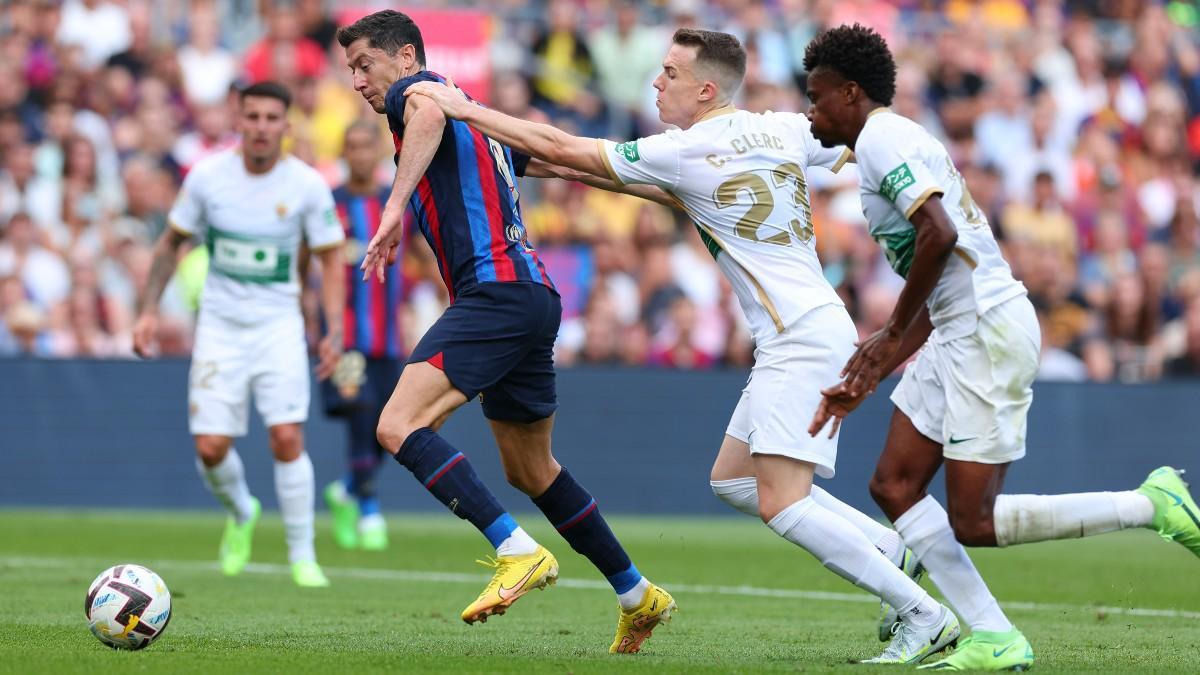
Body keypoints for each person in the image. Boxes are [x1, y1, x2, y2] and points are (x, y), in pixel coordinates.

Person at [407, 28, 961, 665]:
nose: (656, 82)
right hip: (810, 325)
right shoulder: (779, 128)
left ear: (705, 89)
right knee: (736, 479)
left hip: (799, 336)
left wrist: (465, 109)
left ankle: (924, 615)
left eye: (670, 73)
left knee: (782, 501)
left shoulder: (687, 147)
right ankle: (893, 552)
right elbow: (843, 143)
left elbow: (567, 147)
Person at [802, 24, 1200, 671]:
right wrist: (878, 364)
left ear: (850, 93)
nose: (810, 111)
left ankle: (1150, 504)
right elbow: (943, 268)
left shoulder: (881, 140)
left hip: (986, 327)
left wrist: (889, 336)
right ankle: (992, 634)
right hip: (958, 325)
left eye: (816, 97)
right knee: (894, 484)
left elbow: (938, 234)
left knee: (974, 521)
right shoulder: (888, 142)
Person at [336, 10, 674, 653]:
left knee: (397, 426)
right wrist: (670, 195)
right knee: (531, 468)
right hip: (533, 296)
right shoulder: (478, 124)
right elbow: (563, 164)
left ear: (404, 56)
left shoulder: (419, 94)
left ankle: (516, 549)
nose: (357, 81)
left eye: (364, 64)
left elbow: (426, 115)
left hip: (495, 294)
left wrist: (392, 209)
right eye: (350, 69)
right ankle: (637, 593)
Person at [133, 81, 346, 588]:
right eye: (253, 117)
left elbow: (331, 255)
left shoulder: (307, 185)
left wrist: (334, 327)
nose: (262, 127)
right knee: (210, 447)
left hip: (279, 326)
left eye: (272, 118)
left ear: (287, 125)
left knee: (287, 436)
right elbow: (171, 243)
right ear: (239, 120)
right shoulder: (208, 179)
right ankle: (241, 510)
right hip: (220, 327)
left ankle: (303, 556)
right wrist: (147, 311)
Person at [321, 120, 401, 552]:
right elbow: (311, 264)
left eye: (366, 146)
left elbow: (420, 255)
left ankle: (347, 488)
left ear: (378, 152)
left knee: (392, 424)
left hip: (387, 338)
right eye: (351, 147)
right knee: (359, 410)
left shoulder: (395, 203)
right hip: (346, 336)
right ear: (343, 153)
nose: (359, 154)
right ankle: (369, 507)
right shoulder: (329, 205)